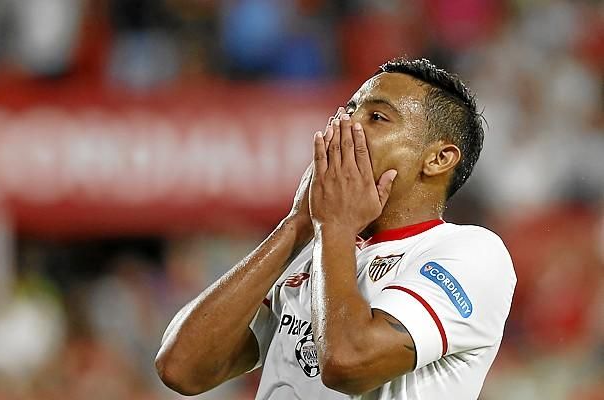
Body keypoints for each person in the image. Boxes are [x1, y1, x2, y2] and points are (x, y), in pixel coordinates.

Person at [155, 58, 516, 400]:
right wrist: (296, 225)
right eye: (348, 111)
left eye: (377, 117)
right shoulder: (318, 250)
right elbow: (181, 368)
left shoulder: (472, 254)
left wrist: (334, 226)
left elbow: (347, 363)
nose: (344, 125)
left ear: (438, 158)